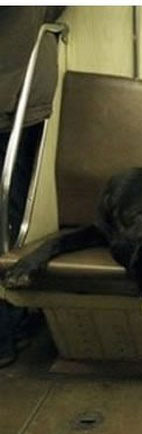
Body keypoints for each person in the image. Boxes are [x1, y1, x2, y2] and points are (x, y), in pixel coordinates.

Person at [0, 7, 63, 368]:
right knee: (10, 217)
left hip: (17, 89)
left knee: (10, 217)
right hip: (20, 88)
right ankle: (9, 327)